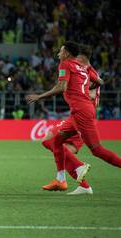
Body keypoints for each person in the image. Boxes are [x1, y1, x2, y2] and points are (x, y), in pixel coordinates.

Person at [26, 41, 121, 188]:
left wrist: (39, 97)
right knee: (54, 141)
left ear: (67, 53)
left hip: (82, 112)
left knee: (97, 150)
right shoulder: (85, 69)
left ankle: (79, 176)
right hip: (81, 111)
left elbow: (61, 86)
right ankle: (62, 180)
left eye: (61, 51)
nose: (58, 53)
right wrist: (89, 87)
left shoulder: (66, 65)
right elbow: (100, 81)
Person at [40, 45, 99, 195]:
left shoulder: (87, 71)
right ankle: (81, 185)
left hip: (82, 117)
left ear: (82, 57)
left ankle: (71, 176)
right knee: (57, 147)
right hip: (77, 115)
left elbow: (91, 95)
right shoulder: (82, 70)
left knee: (53, 143)